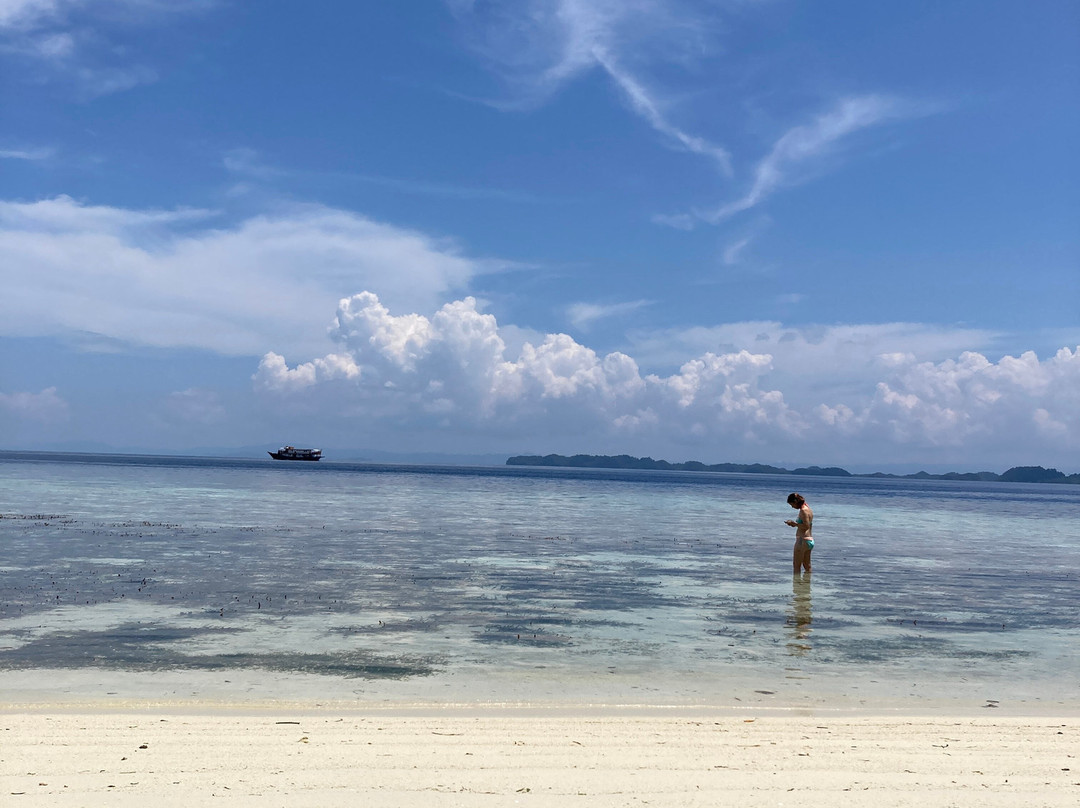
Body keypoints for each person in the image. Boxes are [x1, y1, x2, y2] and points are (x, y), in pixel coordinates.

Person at [784, 492, 813, 574]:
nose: (792, 507)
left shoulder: (803, 511)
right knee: (807, 566)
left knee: (796, 566)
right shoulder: (807, 508)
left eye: (792, 504)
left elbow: (806, 526)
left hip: (802, 540)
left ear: (796, 502)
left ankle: (796, 582)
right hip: (809, 540)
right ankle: (807, 581)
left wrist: (794, 524)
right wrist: (795, 524)